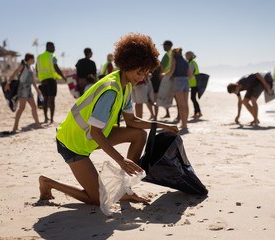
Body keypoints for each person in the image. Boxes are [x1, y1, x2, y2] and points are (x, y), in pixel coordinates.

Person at [38, 33, 179, 205]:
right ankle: (48, 183)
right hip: (73, 142)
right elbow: (95, 131)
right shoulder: (111, 89)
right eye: (139, 72)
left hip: (90, 137)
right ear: (127, 64)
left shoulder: (125, 86)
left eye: (145, 73)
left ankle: (124, 189)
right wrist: (120, 159)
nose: (141, 78)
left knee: (139, 134)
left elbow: (132, 121)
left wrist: (161, 125)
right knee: (98, 200)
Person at [4, 53, 43, 132]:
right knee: (22, 108)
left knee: (34, 107)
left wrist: (37, 90)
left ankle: (37, 124)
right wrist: (8, 83)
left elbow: (33, 81)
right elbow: (14, 73)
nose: (34, 60)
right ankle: (15, 127)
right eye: (33, 58)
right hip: (22, 90)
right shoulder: (23, 66)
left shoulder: (31, 68)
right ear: (29, 59)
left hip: (29, 90)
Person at [36, 42, 66, 124]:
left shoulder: (39, 57)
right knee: (51, 100)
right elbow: (56, 68)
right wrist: (63, 77)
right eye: (53, 47)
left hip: (43, 81)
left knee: (45, 100)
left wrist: (41, 77)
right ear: (48, 47)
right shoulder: (52, 57)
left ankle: (46, 118)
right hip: (51, 81)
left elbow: (37, 69)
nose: (54, 48)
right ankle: (52, 119)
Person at [164, 47, 192, 129]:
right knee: (186, 104)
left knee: (180, 105)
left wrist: (163, 74)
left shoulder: (174, 60)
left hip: (178, 80)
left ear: (174, 53)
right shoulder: (185, 61)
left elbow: (171, 72)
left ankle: (183, 124)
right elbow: (190, 74)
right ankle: (185, 123)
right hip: (186, 81)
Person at [185, 51, 202, 119]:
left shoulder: (192, 63)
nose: (185, 56)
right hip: (193, 83)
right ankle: (198, 113)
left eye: (187, 55)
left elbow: (190, 74)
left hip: (194, 83)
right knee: (193, 98)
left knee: (193, 98)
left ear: (190, 56)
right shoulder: (191, 62)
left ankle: (197, 113)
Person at [160, 40, 173, 118]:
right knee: (173, 96)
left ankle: (168, 113)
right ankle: (174, 114)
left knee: (166, 96)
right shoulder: (174, 54)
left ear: (168, 46)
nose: (163, 47)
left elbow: (162, 67)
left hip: (167, 77)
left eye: (164, 46)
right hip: (173, 76)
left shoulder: (167, 55)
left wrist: (160, 75)